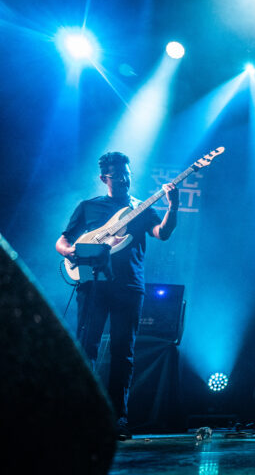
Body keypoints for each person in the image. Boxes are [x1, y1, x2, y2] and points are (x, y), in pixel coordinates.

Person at [56, 151, 179, 440]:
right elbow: (62, 239)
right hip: (91, 283)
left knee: (123, 354)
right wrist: (70, 251)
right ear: (104, 178)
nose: (124, 179)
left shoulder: (142, 208)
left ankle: (117, 420)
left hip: (129, 286)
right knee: (86, 348)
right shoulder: (88, 207)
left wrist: (172, 206)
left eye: (127, 173)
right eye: (117, 175)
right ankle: (81, 415)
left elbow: (162, 233)